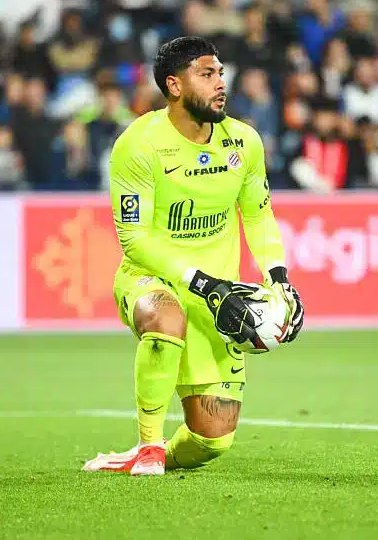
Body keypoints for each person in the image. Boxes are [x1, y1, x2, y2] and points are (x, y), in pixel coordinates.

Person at [82, 37, 305, 477]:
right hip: (151, 280)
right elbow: (135, 239)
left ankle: (151, 453)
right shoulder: (139, 144)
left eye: (221, 72)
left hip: (216, 299)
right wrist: (203, 282)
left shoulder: (244, 142)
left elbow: (259, 219)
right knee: (166, 320)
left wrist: (278, 279)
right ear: (175, 85)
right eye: (207, 74)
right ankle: (148, 447)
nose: (221, 83)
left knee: (212, 440)